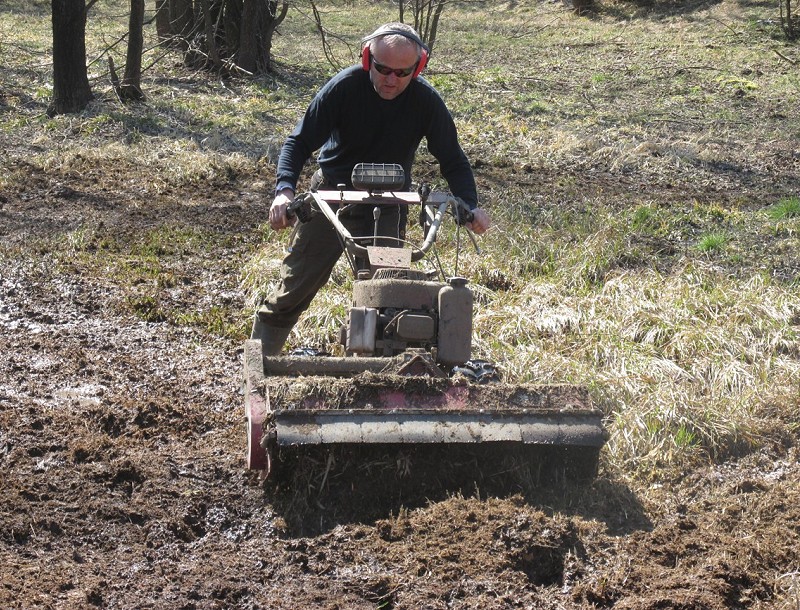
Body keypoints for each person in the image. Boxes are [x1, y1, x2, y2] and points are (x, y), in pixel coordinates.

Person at [252, 22, 491, 355]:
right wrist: (284, 191)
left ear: (417, 68)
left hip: (389, 202)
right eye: (382, 68)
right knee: (293, 289)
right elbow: (299, 141)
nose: (390, 79)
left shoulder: (426, 102)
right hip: (332, 197)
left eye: (402, 72)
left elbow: (452, 159)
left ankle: (380, 376)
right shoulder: (344, 88)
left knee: (390, 297)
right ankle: (261, 361)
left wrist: (469, 206)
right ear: (367, 59)